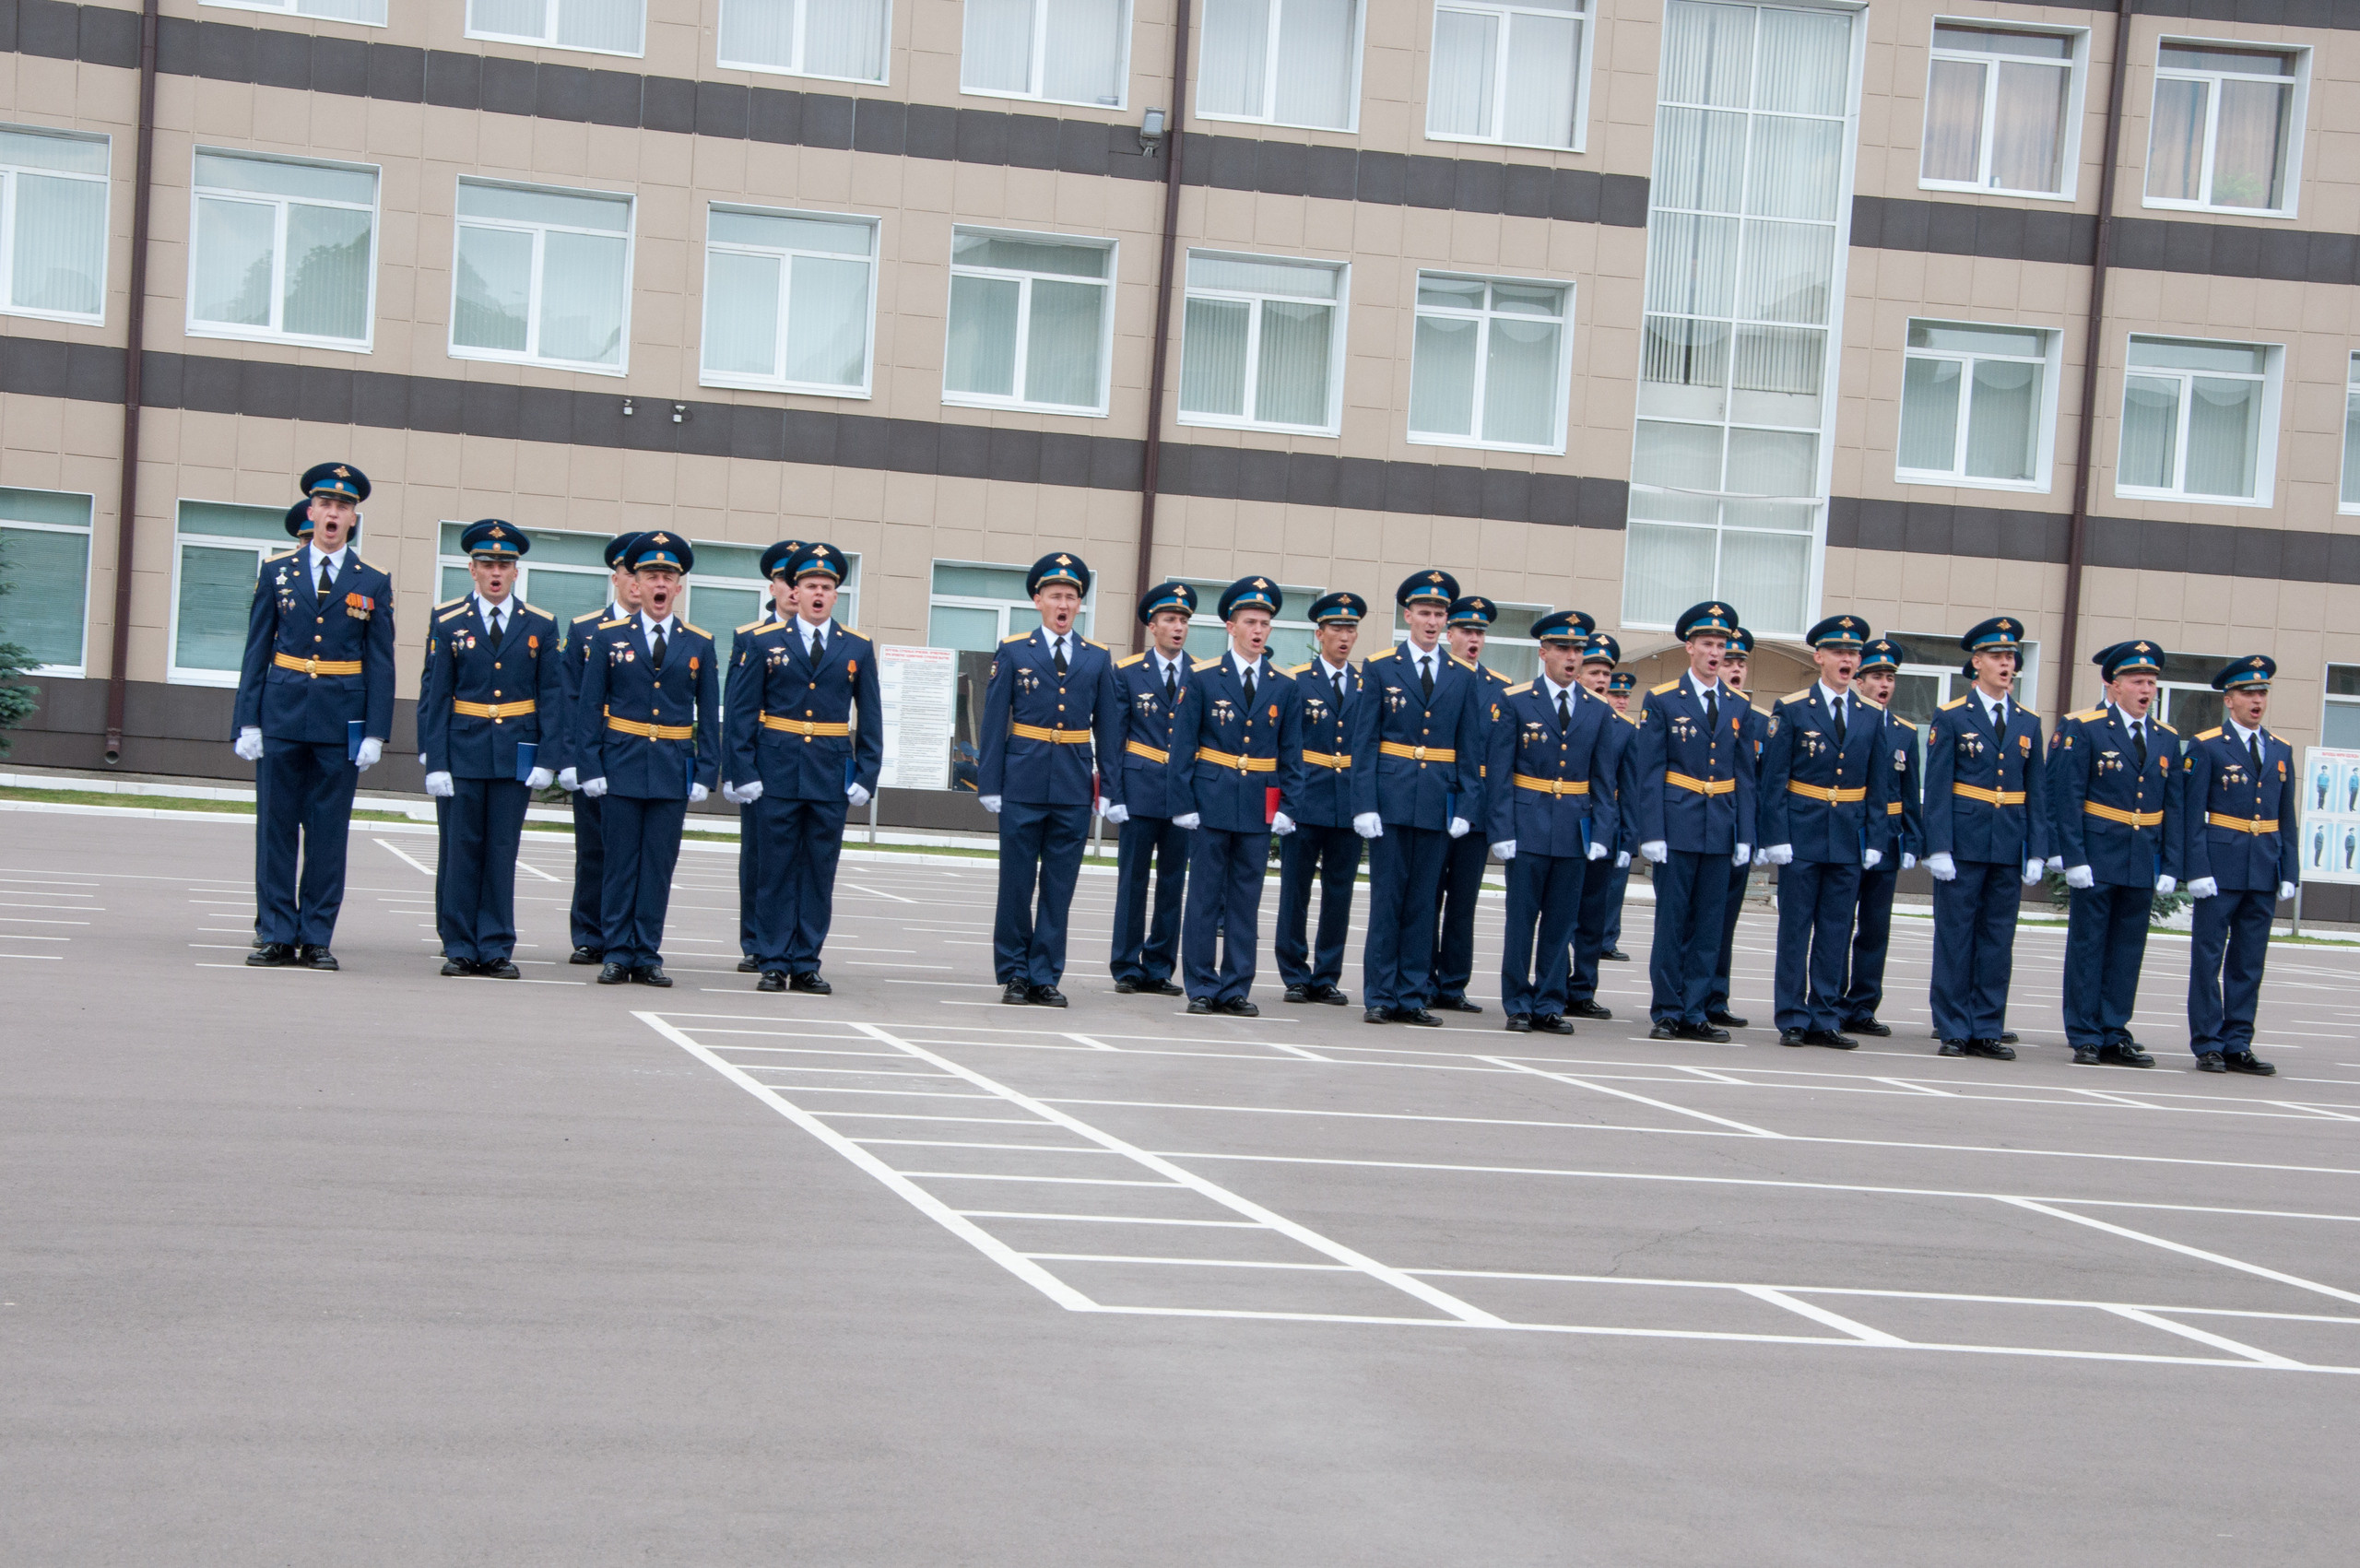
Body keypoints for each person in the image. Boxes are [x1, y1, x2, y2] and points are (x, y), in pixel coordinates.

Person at [233, 463, 395, 970]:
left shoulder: (372, 580)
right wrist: (248, 721)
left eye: (342, 507)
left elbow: (381, 662)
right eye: (325, 505)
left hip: (338, 722)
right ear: (311, 510)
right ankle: (276, 933)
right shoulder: (277, 572)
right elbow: (256, 649)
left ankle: (317, 935)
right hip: (281, 714)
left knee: (328, 834)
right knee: (275, 830)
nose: (332, 513)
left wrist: (376, 731)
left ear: (353, 519)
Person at [724, 542, 879, 995]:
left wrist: (866, 773)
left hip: (829, 774)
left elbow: (870, 717)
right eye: (810, 585)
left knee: (818, 871)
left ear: (836, 596)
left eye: (826, 587)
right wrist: (744, 769)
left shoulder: (857, 647)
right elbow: (741, 712)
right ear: (794, 590)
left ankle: (806, 960)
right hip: (777, 771)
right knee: (773, 871)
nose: (818, 593)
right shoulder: (763, 641)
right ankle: (772, 960)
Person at [573, 533, 721, 987]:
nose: (660, 584)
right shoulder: (608, 638)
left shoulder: (698, 642)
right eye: (652, 575)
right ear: (635, 584)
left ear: (678, 588)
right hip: (621, 763)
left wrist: (706, 771)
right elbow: (587, 707)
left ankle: (647, 952)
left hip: (672, 767)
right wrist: (590, 767)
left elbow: (708, 712)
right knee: (619, 863)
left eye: (668, 577)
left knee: (658, 865)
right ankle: (618, 951)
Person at [418, 520, 562, 978]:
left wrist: (547, 757)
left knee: (502, 850)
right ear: (471, 570)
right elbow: (434, 695)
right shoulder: (448, 621)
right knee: (461, 849)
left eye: (504, 564)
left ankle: (497, 945)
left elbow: (552, 697)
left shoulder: (540, 624)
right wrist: (434, 759)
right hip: (463, 751)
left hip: (514, 754)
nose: (495, 572)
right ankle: (460, 944)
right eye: (487, 564)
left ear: (516, 572)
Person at [978, 552, 1124, 1007]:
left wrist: (1111, 790)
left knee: (1060, 887)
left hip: (1072, 784)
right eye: (1055, 596)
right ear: (1038, 600)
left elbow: (1111, 730)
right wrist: (990, 782)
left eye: (1072, 597)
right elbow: (993, 719)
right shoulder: (1015, 650)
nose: (1063, 605)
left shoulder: (1097, 658)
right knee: (1017, 884)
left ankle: (1045, 974)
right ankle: (1015, 973)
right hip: (1022, 779)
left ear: (1080, 605)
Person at [1351, 570, 1485, 1026]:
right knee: (1388, 900)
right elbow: (1364, 742)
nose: (1431, 622)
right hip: (1390, 797)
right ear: (1407, 615)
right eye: (1424, 613)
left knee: (1423, 902)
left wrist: (1467, 805)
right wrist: (1363, 804)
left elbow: (1469, 746)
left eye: (1439, 615)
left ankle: (1412, 994)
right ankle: (1381, 995)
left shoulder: (1461, 675)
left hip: (1436, 801)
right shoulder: (1381, 666)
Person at [1171, 577, 1304, 1016]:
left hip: (1257, 805)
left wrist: (1288, 805)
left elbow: (1292, 753)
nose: (1258, 630)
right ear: (1231, 626)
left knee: (1246, 900)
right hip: (1211, 798)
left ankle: (1236, 987)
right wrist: (1183, 802)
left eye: (1265, 623)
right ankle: (1202, 986)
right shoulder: (1205, 677)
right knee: (1205, 898)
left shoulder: (1285, 685)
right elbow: (1183, 747)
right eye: (1250, 622)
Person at [1757, 615, 1892, 1049]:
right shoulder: (1793, 708)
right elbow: (1773, 779)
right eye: (1839, 652)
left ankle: (1825, 1015)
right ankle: (1793, 1015)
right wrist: (1775, 836)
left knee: (1836, 929)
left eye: (1853, 653)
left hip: (1847, 836)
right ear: (1820, 657)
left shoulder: (1871, 716)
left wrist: (1874, 839)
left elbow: (1878, 785)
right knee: (1796, 928)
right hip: (1802, 832)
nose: (1847, 660)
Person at [2048, 641, 2179, 1067]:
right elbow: (2065, 796)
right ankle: (2085, 1032)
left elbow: (2174, 806)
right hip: (2097, 853)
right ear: (2113, 684)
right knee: (2089, 946)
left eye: (2152, 682)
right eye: (2138, 681)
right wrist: (2072, 856)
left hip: (2141, 856)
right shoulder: (2083, 727)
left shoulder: (2165, 738)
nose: (2147, 690)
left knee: (2127, 949)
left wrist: (2170, 864)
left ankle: (2114, 1029)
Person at [1923, 616, 2049, 1059]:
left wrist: (2037, 849)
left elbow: (2037, 791)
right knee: (1956, 938)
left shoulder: (2028, 722)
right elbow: (1937, 786)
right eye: (1997, 657)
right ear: (1977, 662)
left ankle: (1988, 1027)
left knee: (1998, 940)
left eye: (2011, 657)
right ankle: (1954, 1026)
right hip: (1964, 843)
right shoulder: (1953, 716)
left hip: (2008, 845)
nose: (2007, 664)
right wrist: (1937, 845)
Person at [1489, 612, 1617, 1033]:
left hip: (1573, 828)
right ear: (1543, 652)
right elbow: (1501, 771)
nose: (1571, 657)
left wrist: (1601, 831)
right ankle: (1518, 1004)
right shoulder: (1516, 700)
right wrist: (1502, 829)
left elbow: (1603, 777)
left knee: (1561, 924)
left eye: (1578, 649)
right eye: (1563, 648)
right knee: (1521, 922)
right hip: (1527, 823)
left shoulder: (1597, 709)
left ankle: (1549, 1002)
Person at [1634, 601, 1753, 1042]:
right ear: (1690, 647)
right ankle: (1667, 1009)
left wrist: (1746, 834)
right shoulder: (1664, 699)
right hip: (1678, 823)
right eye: (1707, 644)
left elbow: (1744, 776)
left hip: (1720, 826)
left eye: (1722, 645)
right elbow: (1649, 771)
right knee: (1672, 922)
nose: (1715, 653)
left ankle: (1696, 1010)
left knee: (1709, 925)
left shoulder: (1739, 704)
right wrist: (1653, 832)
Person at [2182, 655, 2295, 1076]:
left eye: (2262, 693)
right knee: (2208, 959)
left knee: (2249, 961)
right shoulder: (2208, 745)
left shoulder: (2280, 749)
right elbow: (2191, 814)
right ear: (2229, 700)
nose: (2257, 700)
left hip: (2263, 867)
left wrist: (2290, 870)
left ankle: (2238, 1042)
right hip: (2220, 866)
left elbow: (2287, 817)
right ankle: (2208, 1042)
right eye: (2248, 693)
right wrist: (2196, 868)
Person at [1105, 582, 1198, 996]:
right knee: (1133, 880)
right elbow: (1113, 737)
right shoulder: (1127, 672)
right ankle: (1127, 964)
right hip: (1139, 787)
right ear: (1152, 625)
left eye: (1183, 621)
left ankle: (1160, 966)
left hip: (1182, 794)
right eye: (1170, 620)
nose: (1178, 628)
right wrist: (1114, 794)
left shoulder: (1201, 674)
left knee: (1173, 882)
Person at [1278, 592, 1370, 1006]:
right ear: (1320, 633)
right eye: (1336, 629)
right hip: (1306, 797)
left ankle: (1327, 974)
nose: (1344, 637)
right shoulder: (1297, 680)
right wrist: (1286, 801)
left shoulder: (1368, 685)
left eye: (1351, 629)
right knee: (1295, 892)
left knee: (1340, 893)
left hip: (1347, 802)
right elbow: (1287, 746)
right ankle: (1295, 974)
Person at [556, 533, 642, 965]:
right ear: (616, 578)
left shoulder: (662, 634)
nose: (636, 583)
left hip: (636, 755)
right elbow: (569, 698)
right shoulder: (586, 630)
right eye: (629, 573)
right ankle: (590, 933)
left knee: (633, 853)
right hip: (595, 754)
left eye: (642, 574)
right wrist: (571, 757)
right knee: (593, 850)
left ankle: (626, 934)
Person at [1433, 595, 1517, 1014]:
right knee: (1425, 897)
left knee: (1463, 901)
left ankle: (1453, 984)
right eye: (1466, 630)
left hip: (1477, 806)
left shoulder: (1500, 689)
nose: (1473, 639)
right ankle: (1420, 976)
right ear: (1449, 634)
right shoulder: (1437, 676)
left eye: (1480, 632)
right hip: (1434, 800)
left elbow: (1502, 760)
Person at [1839, 636, 1921, 1036]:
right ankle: (1832, 1000)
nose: (1883, 684)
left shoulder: (1904, 732)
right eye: (1875, 677)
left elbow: (1910, 793)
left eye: (1889, 677)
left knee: (1875, 927)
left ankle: (1863, 1005)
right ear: (1859, 680)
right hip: (1850, 834)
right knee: (1837, 922)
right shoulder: (1851, 721)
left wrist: (1913, 839)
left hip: (1887, 838)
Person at [731, 538, 798, 974]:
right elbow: (736, 707)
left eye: (803, 581)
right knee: (758, 855)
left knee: (801, 859)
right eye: (785, 580)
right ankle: (756, 940)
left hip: (808, 764)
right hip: (763, 762)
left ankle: (793, 939)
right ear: (771, 586)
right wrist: (738, 767)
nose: (794, 590)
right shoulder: (750, 638)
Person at [1565, 632, 1636, 1020]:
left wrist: (1626, 837)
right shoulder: (1565, 714)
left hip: (1602, 829)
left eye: (1605, 673)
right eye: (1594, 671)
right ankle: (1554, 983)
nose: (1601, 679)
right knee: (1560, 915)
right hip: (1565, 825)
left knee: (1593, 918)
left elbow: (1629, 787)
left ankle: (1583, 989)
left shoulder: (1624, 727)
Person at [1703, 627, 1767, 1030]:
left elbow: (1762, 784)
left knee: (1725, 921)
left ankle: (1716, 995)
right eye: (1729, 662)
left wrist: (1755, 836)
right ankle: (1682, 993)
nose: (1735, 669)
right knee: (1695, 919)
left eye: (1741, 662)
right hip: (1701, 827)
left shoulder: (1760, 721)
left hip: (1738, 834)